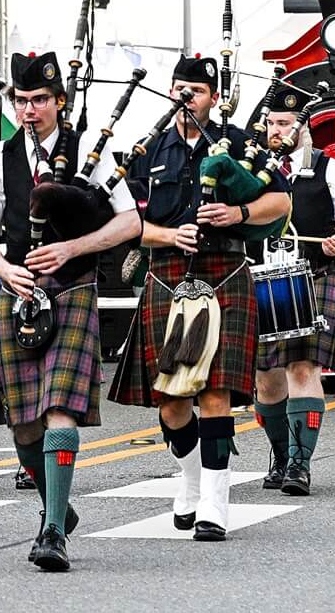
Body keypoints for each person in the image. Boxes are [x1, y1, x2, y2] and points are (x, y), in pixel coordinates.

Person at [0, 53, 140, 571]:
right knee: (23, 425)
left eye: (40, 99)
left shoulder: (88, 150)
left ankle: (53, 530)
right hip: (19, 295)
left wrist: (72, 248)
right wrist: (4, 270)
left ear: (60, 101)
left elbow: (129, 222)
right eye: (21, 100)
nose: (29, 110)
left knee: (59, 410)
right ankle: (55, 503)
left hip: (73, 289)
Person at [107, 55, 291, 542]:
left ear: (215, 97)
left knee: (214, 393)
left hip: (224, 270)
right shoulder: (147, 150)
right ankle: (190, 477)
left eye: (196, 91)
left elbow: (280, 202)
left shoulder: (241, 145)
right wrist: (168, 236)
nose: (185, 98)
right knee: (172, 403)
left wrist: (238, 213)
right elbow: (125, 224)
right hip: (168, 275)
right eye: (179, 89)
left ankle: (214, 504)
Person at [252, 96, 335, 496]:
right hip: (262, 281)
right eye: (271, 123)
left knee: (302, 369)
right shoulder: (253, 169)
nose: (276, 130)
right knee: (266, 381)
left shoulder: (329, 168)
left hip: (313, 276)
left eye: (284, 123)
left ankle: (299, 465)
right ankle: (281, 456)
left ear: (303, 127)